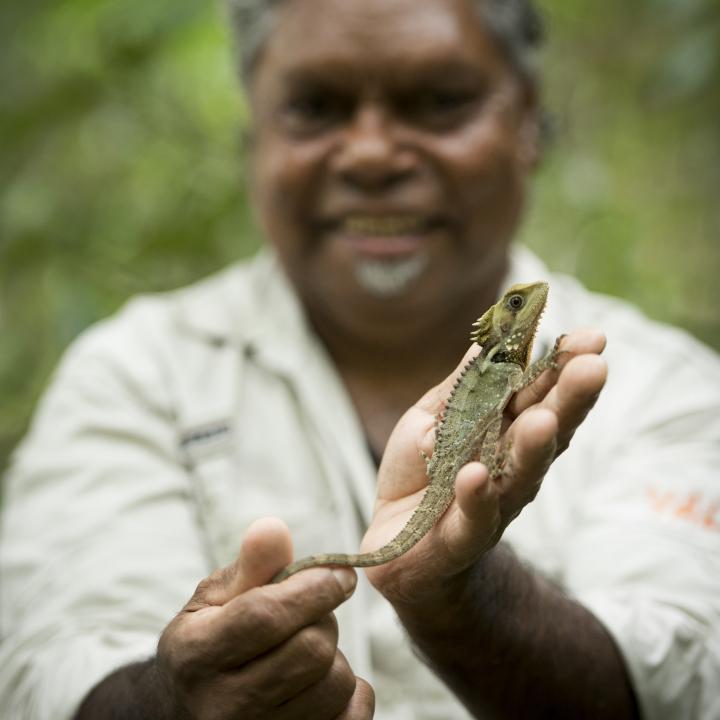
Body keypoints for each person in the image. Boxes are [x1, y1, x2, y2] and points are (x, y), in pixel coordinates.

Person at [1, 0, 719, 717]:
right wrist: (173, 699)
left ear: (528, 120)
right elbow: (48, 673)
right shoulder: (132, 376)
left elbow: (684, 681)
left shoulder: (666, 388)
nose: (373, 154)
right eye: (316, 105)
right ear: (253, 129)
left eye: (438, 102)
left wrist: (461, 595)